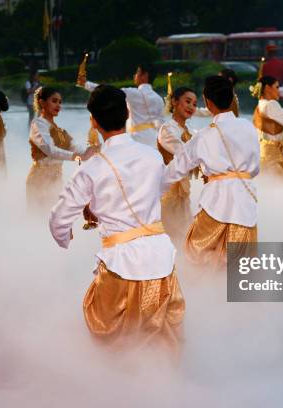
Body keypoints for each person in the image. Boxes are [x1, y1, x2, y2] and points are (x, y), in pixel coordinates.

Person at [49, 85, 184, 350]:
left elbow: (58, 220)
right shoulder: (153, 157)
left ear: (94, 121)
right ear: (127, 115)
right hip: (161, 259)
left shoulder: (93, 168)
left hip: (121, 265)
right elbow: (159, 191)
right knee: (162, 343)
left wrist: (66, 236)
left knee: (114, 341)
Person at [164, 76, 259, 269]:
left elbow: (177, 167)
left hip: (216, 203)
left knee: (196, 253)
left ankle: (206, 295)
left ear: (208, 102)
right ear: (232, 98)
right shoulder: (248, 127)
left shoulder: (205, 135)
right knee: (241, 264)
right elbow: (255, 168)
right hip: (245, 202)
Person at [26, 87, 92, 211]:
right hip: (39, 179)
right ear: (42, 102)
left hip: (56, 180)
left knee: (54, 218)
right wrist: (78, 157)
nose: (58, 105)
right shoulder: (38, 124)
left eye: (60, 102)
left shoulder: (60, 131)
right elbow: (50, 150)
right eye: (54, 101)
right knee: (38, 219)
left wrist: (95, 150)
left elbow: (77, 148)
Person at [79, 63, 164, 147]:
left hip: (138, 138)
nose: (135, 75)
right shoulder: (159, 99)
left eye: (137, 72)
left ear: (145, 75)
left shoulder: (134, 93)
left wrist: (86, 84)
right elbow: (161, 123)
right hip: (155, 139)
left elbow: (108, 92)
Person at [157, 87, 198, 244]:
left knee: (184, 236)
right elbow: (183, 153)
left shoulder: (188, 131)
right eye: (187, 102)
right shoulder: (167, 129)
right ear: (174, 102)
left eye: (194, 104)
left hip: (182, 192)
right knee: (173, 236)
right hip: (168, 193)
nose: (191, 107)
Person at [253, 76, 283, 179]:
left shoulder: (260, 105)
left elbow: (266, 138)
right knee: (281, 189)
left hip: (263, 157)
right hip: (273, 159)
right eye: (277, 87)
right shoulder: (271, 104)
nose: (279, 90)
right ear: (267, 88)